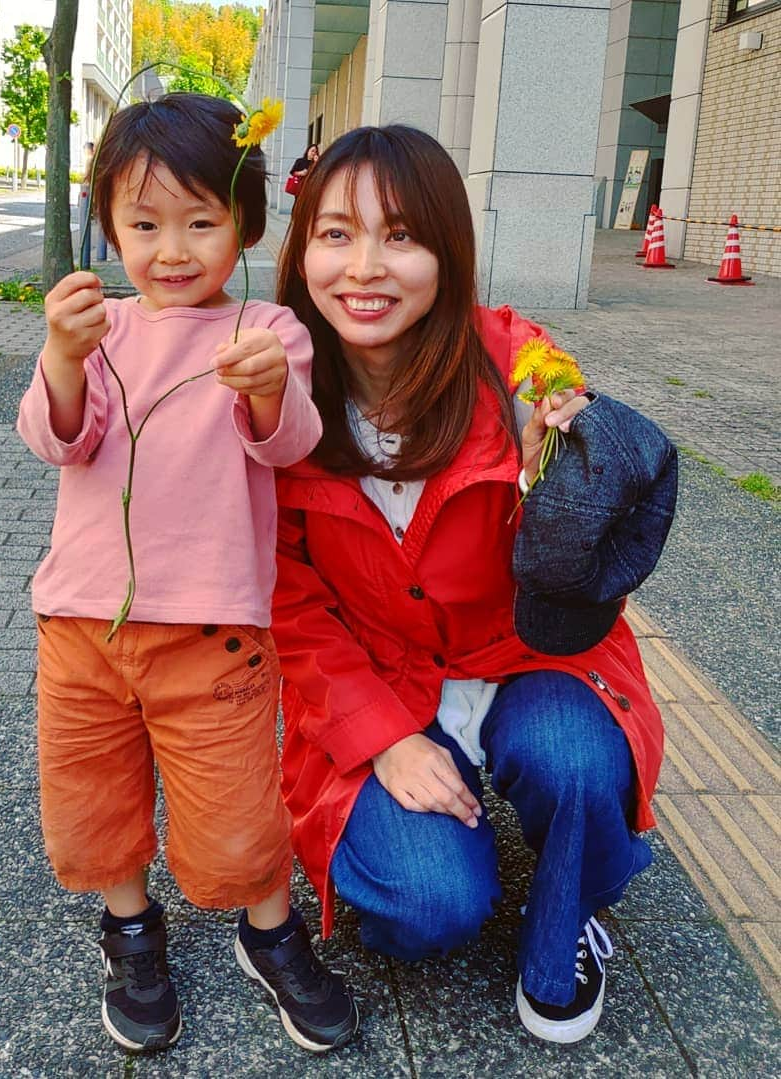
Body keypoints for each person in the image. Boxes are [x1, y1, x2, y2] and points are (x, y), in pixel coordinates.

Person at [272, 125, 671, 1045]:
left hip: (529, 654)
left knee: (575, 762)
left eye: (401, 235)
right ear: (302, 250)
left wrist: (559, 467)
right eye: (337, 234)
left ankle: (568, 916)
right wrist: (381, 741)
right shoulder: (280, 396)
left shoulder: (513, 367)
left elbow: (584, 493)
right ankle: (459, 830)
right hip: (383, 675)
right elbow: (287, 600)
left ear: (449, 251)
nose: (365, 267)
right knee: (429, 903)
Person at [16, 93, 358, 1055]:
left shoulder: (265, 330)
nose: (174, 249)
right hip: (81, 623)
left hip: (212, 634)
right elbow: (56, 439)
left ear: (244, 222)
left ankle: (268, 927)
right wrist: (61, 354)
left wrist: (266, 393)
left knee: (237, 804)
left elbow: (289, 443)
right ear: (111, 227)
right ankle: (130, 927)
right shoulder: (101, 328)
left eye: (202, 221)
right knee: (94, 794)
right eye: (145, 223)